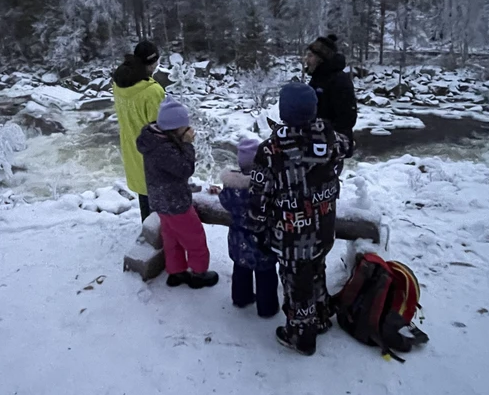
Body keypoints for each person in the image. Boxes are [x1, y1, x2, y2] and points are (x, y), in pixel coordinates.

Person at [248, 82, 350, 356]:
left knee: (296, 284)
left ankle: (301, 334)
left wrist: (257, 228)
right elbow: (347, 146)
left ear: (284, 113)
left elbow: (259, 196)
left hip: (290, 235)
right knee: (316, 269)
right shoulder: (332, 141)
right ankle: (320, 315)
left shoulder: (271, 151)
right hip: (323, 228)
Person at [136, 97, 219, 289]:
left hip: (160, 201)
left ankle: (176, 272)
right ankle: (199, 273)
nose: (189, 129)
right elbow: (185, 169)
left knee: (171, 237)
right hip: (175, 203)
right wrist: (188, 144)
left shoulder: (154, 140)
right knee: (195, 237)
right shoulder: (164, 149)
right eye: (185, 126)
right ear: (175, 128)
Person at [219, 137, 279, 317]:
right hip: (263, 242)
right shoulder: (267, 186)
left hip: (239, 241)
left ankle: (241, 299)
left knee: (241, 270)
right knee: (266, 275)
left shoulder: (232, 186)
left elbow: (224, 201)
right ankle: (267, 309)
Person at [113, 40, 165, 220]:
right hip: (152, 155)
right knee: (159, 207)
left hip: (131, 148)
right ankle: (158, 235)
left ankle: (148, 231)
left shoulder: (119, 84)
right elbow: (160, 128)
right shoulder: (152, 91)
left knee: (145, 197)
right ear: (151, 63)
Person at [304, 34, 358, 141]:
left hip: (333, 142)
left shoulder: (339, 81)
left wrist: (327, 134)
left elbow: (347, 119)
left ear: (321, 59)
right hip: (317, 139)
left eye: (310, 56)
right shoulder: (317, 78)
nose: (306, 59)